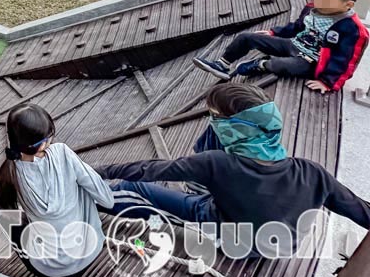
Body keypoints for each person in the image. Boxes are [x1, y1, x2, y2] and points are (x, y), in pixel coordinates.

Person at [101, 83, 370, 258]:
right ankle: (201, 186)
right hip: (284, 244)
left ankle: (98, 200)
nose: (212, 120)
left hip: (238, 243)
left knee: (134, 189)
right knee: (213, 142)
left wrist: (95, 172)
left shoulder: (217, 163)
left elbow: (147, 170)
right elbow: (359, 209)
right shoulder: (313, 172)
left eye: (215, 115)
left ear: (233, 125)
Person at [0, 103, 114, 277]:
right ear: (44, 141)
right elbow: (107, 200)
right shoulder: (63, 153)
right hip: (92, 250)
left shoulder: (11, 174)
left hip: (51, 271)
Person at [193, 0, 367, 92]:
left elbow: (346, 60)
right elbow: (297, 27)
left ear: (348, 5)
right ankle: (222, 64)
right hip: (294, 44)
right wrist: (273, 32)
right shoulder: (312, 8)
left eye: (326, 1)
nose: (319, 3)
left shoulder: (352, 29)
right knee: (246, 37)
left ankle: (259, 64)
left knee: (282, 65)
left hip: (312, 60)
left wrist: (328, 83)